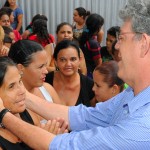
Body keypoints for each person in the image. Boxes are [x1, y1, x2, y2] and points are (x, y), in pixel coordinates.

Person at [1, 0, 150, 149]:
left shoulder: (143, 128)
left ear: (143, 43)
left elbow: (64, 145)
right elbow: (85, 117)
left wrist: (4, 116)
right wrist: (20, 94)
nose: (117, 46)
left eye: (121, 38)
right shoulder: (131, 94)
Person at [0, 56, 68, 150]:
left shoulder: (25, 113)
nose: (22, 91)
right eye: (11, 86)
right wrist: (44, 143)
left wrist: (44, 138)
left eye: (20, 81)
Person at [46, 40, 95, 106]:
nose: (68, 64)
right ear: (55, 61)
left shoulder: (89, 85)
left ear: (79, 60)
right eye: (63, 60)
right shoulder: (45, 81)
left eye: (73, 59)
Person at [79, 13, 104, 78]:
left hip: (84, 69)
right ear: (98, 28)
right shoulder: (94, 43)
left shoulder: (84, 36)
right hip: (91, 73)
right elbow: (98, 64)